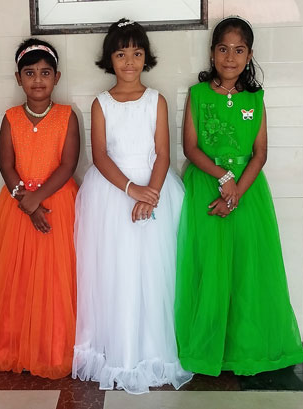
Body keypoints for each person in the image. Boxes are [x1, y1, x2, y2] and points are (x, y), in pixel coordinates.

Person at [175, 16, 303, 377]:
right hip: (207, 185)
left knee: (247, 269)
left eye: (238, 50)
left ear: (249, 55)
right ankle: (209, 349)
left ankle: (245, 349)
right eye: (223, 49)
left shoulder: (255, 98)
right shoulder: (198, 95)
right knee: (210, 268)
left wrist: (235, 191)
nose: (229, 57)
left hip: (248, 191)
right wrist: (223, 178)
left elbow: (260, 153)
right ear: (211, 52)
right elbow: (190, 148)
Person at [72, 18, 193, 394]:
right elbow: (100, 155)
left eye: (137, 53)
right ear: (110, 58)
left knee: (153, 271)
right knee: (117, 270)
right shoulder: (101, 103)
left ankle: (153, 350)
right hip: (113, 193)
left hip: (155, 188)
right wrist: (131, 190)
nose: (129, 61)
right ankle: (118, 349)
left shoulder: (156, 100)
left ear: (146, 58)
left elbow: (163, 153)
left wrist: (150, 193)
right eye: (121, 54)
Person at [0, 38, 79, 379]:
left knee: (55, 280)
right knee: (16, 280)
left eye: (45, 72)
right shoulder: (11, 118)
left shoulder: (67, 116)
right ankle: (12, 345)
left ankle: (52, 346)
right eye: (29, 73)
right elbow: (6, 164)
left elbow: (68, 164)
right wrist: (25, 201)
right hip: (17, 206)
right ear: (18, 79)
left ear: (57, 77)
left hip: (57, 203)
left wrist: (38, 197)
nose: (38, 80)